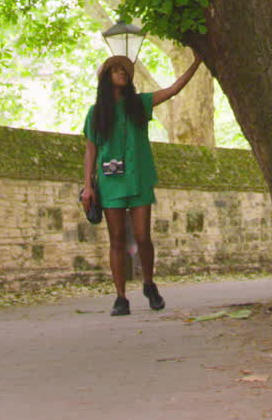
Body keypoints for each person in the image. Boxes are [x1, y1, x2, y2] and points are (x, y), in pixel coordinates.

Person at [81, 50, 204, 316]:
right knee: (116, 240)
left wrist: (196, 62)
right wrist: (88, 187)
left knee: (143, 237)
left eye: (125, 71)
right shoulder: (96, 112)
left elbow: (173, 89)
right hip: (110, 183)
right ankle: (120, 298)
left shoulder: (140, 103)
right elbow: (90, 150)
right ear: (106, 77)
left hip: (139, 179)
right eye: (116, 70)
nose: (122, 74)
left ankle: (149, 284)